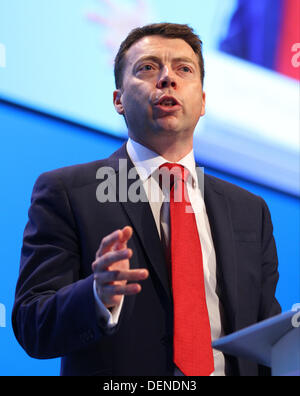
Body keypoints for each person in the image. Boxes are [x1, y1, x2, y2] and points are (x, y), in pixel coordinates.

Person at [12, 23, 281, 376]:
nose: (167, 78)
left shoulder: (249, 210)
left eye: (184, 69)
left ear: (202, 101)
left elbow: (266, 340)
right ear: (118, 100)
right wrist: (96, 296)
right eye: (148, 68)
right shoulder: (67, 192)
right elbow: (33, 324)